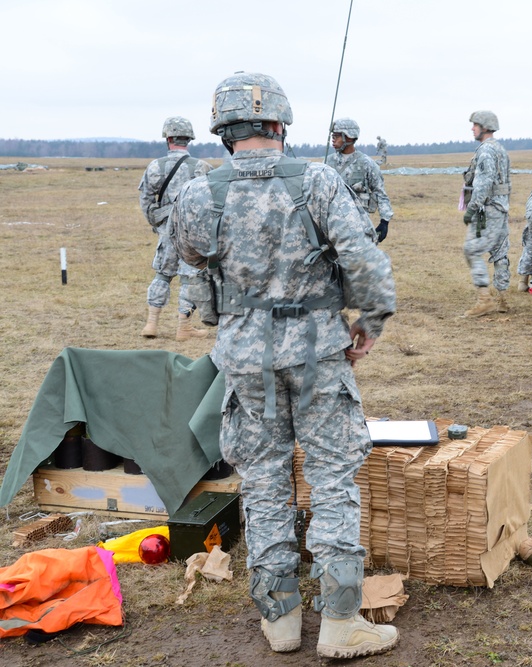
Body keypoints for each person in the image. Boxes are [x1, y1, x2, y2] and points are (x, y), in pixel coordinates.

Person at [171, 72, 398, 659]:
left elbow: (191, 258)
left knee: (264, 481)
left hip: (244, 357)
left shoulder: (201, 191)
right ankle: (341, 621)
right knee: (331, 478)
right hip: (321, 352)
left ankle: (280, 620)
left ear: (223, 131)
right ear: (280, 124)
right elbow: (364, 260)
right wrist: (368, 324)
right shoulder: (318, 181)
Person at [138, 116, 213, 340]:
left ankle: (151, 324)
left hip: (165, 231)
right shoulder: (202, 167)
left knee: (162, 274)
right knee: (190, 278)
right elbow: (211, 202)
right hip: (191, 233)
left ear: (168, 138)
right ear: (188, 139)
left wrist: (159, 224)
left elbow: (146, 200)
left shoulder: (155, 167)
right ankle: (184, 328)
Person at [461, 110, 511, 317]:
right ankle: (501, 298)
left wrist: (472, 209)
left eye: (475, 125)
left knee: (471, 250)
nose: (472, 128)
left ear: (484, 127)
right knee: (499, 251)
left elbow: (483, 183)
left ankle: (485, 299)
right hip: (500, 207)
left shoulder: (486, 151)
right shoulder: (500, 149)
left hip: (488, 208)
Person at [325, 118, 393, 244]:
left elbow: (380, 193)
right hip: (331, 227)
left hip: (359, 228)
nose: (333, 139)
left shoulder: (367, 164)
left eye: (337, 136)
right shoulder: (328, 162)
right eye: (332, 136)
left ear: (349, 138)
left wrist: (384, 221)